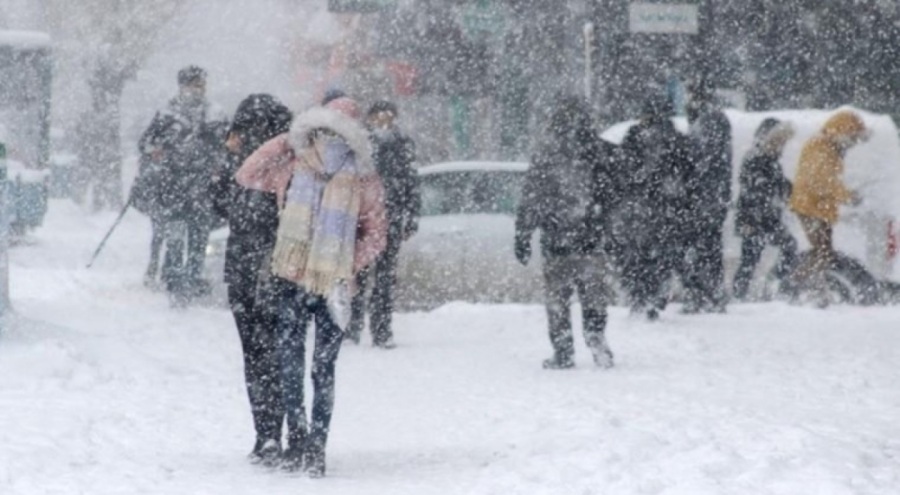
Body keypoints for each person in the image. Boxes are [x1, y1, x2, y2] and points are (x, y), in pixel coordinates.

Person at [235, 95, 387, 477]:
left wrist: (287, 139)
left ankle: (300, 441)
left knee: (292, 365)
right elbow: (377, 234)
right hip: (332, 285)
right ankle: (315, 447)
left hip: (295, 279)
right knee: (322, 369)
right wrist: (346, 263)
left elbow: (248, 172)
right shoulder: (362, 176)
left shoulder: (295, 164)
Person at [211, 94, 292, 465]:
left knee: (257, 356)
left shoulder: (247, 169)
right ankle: (284, 431)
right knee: (280, 354)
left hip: (250, 271)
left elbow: (216, 206)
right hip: (280, 271)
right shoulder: (292, 162)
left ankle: (267, 433)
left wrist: (228, 157)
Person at [514, 96, 617, 370]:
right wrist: (610, 229)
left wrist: (523, 234)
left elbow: (532, 197)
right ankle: (596, 338)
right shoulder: (598, 151)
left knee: (558, 299)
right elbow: (611, 196)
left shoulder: (546, 153)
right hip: (591, 238)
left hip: (556, 238)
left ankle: (563, 350)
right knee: (593, 296)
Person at [136, 65, 228, 302]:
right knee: (175, 237)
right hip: (172, 186)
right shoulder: (167, 114)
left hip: (202, 188)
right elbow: (145, 143)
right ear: (182, 86)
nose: (197, 90)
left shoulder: (214, 114)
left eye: (201, 84)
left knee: (199, 239)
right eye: (193, 84)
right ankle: (175, 280)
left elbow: (227, 147)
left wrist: (220, 163)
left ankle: (192, 279)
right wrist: (156, 151)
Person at [611, 94, 692, 321]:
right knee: (662, 256)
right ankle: (656, 295)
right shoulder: (677, 139)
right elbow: (688, 176)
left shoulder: (634, 136)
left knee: (635, 256)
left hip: (639, 209)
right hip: (668, 209)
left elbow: (621, 170)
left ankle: (639, 297)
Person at [346, 100, 420, 348]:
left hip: (391, 218)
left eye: (389, 117)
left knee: (385, 279)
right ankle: (352, 326)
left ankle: (382, 330)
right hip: (364, 220)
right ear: (370, 118)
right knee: (358, 275)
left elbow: (412, 182)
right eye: (379, 117)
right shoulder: (360, 144)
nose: (384, 121)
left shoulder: (402, 145)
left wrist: (411, 217)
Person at [788, 110, 869, 307]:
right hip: (811, 207)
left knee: (823, 253)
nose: (853, 144)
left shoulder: (829, 147)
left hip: (818, 208)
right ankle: (797, 286)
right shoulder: (821, 148)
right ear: (841, 132)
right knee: (822, 253)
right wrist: (848, 196)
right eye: (852, 138)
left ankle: (812, 288)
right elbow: (822, 181)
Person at [732, 118, 798, 300]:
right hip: (753, 219)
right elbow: (755, 191)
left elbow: (778, 185)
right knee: (750, 259)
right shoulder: (755, 158)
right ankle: (742, 293)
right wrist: (778, 190)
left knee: (786, 247)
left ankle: (771, 281)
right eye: (779, 141)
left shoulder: (770, 160)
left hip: (767, 218)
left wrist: (792, 190)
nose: (782, 146)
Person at [682, 80, 732, 313]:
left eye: (689, 94)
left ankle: (704, 295)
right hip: (711, 196)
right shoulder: (712, 119)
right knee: (707, 246)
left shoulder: (709, 121)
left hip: (705, 197)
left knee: (703, 246)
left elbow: (702, 159)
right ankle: (708, 294)